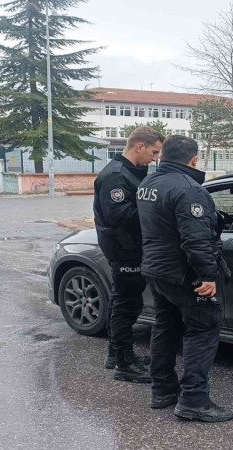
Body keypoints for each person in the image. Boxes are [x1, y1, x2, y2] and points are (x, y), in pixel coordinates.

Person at [137, 135, 233, 423]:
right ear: (193, 160)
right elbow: (196, 240)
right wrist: (208, 274)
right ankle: (194, 400)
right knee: (203, 331)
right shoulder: (190, 190)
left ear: (163, 155)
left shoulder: (148, 184)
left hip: (157, 270)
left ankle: (162, 391)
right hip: (185, 275)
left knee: (165, 327)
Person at [93, 126, 164, 383]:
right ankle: (124, 363)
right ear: (139, 147)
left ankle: (117, 353)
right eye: (154, 152)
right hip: (124, 247)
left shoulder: (131, 171)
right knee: (127, 304)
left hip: (130, 245)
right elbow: (118, 215)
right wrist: (156, 213)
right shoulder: (116, 175)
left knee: (122, 300)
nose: (155, 158)